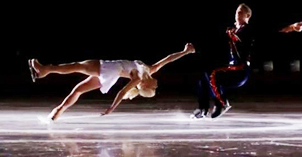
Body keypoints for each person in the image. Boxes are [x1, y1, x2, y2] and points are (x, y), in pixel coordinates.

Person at [191, 3, 302, 119]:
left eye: (241, 13)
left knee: (212, 73)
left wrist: (291, 27)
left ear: (248, 16)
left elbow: (270, 31)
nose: (238, 15)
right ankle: (203, 109)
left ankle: (222, 103)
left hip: (240, 71)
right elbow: (213, 41)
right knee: (204, 79)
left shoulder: (249, 30)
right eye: (237, 12)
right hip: (231, 69)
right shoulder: (232, 29)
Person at [28, 43, 196, 121]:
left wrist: (111, 109)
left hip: (109, 68)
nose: (157, 86)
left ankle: (44, 70)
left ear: (145, 86)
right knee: (78, 90)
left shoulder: (137, 78)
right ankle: (58, 110)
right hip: (110, 73)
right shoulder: (151, 69)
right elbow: (169, 59)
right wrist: (185, 52)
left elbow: (122, 92)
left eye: (153, 90)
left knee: (76, 66)